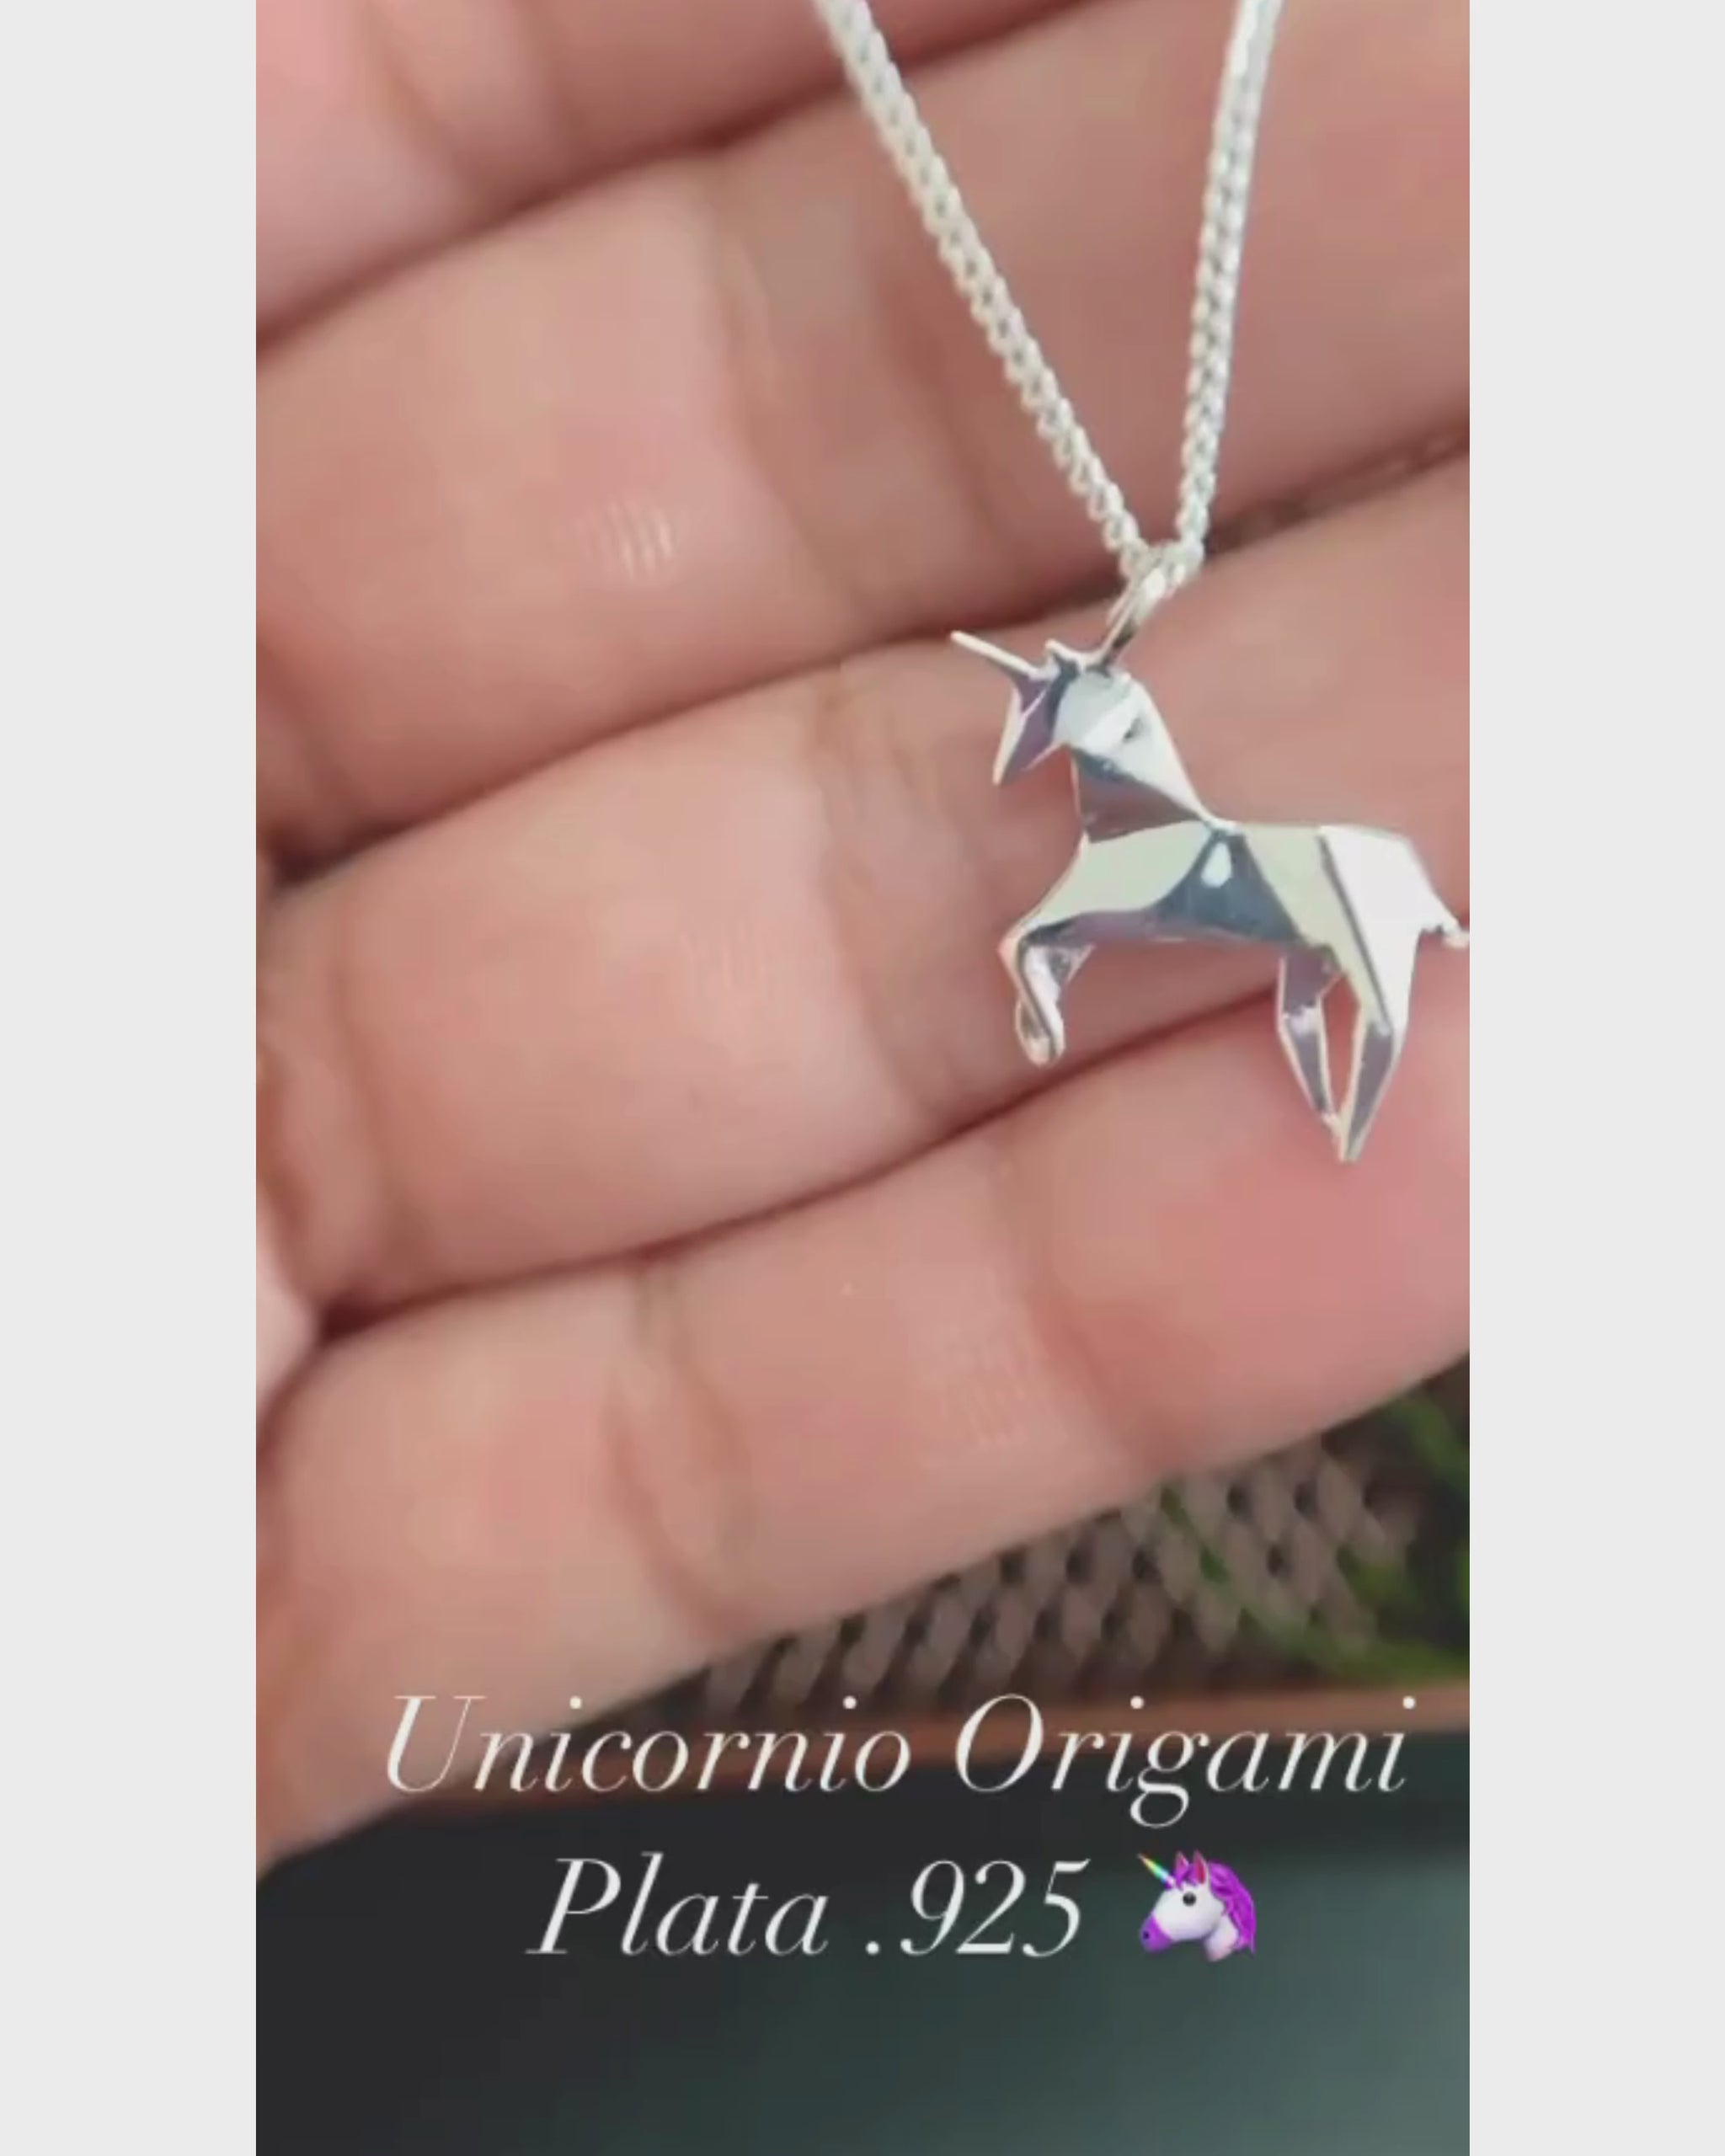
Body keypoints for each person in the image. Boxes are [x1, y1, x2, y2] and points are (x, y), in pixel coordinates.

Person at [256, 0, 1467, 1863]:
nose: (1041, 741)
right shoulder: (1104, 793)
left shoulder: (1141, 796)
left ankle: (1307, 1035)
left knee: (1269, 969)